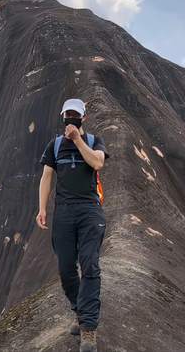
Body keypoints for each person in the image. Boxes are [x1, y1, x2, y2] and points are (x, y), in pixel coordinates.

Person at [36, 98, 110, 352]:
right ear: (62, 117)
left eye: (75, 116)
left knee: (90, 263)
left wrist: (77, 139)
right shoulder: (54, 146)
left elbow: (98, 163)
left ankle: (89, 329)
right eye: (67, 115)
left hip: (90, 210)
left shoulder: (93, 141)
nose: (71, 119)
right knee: (66, 268)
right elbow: (46, 177)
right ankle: (81, 313)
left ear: (83, 118)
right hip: (64, 213)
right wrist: (42, 208)